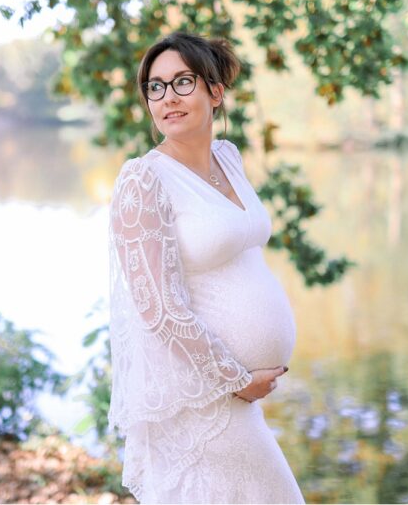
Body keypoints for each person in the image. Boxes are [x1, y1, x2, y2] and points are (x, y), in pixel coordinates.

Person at [107, 31, 304, 504]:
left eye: (182, 82)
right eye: (155, 87)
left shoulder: (228, 158)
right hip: (203, 397)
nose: (167, 98)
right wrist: (236, 379)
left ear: (215, 92)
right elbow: (156, 307)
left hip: (236, 397)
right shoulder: (144, 179)